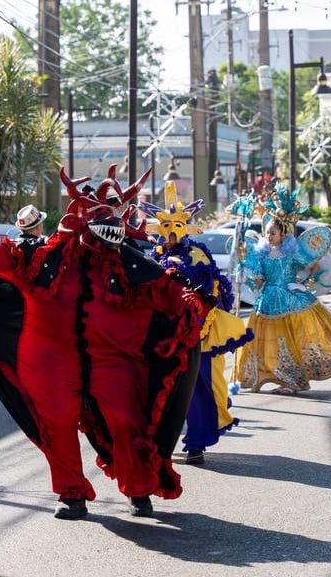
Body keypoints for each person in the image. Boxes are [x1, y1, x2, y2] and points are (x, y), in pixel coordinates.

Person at [0, 166, 207, 520]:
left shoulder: (128, 261)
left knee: (124, 417)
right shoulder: (39, 255)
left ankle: (139, 488)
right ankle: (71, 493)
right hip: (48, 355)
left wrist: (189, 302)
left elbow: (168, 292)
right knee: (57, 422)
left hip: (111, 356)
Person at [139, 182, 252, 465]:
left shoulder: (197, 253)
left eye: (177, 225)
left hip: (194, 332)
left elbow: (211, 288)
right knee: (159, 387)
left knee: (197, 386)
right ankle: (159, 442)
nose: (172, 232)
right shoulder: (154, 256)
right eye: (166, 226)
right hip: (162, 335)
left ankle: (196, 444)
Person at [232, 186, 331, 395]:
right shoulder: (261, 255)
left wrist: (303, 284)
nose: (269, 236)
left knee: (291, 341)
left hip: (292, 299)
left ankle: (293, 380)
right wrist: (244, 276)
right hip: (267, 301)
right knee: (266, 342)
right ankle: (264, 376)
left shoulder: (291, 254)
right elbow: (258, 282)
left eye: (273, 232)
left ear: (283, 234)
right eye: (268, 232)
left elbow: (314, 266)